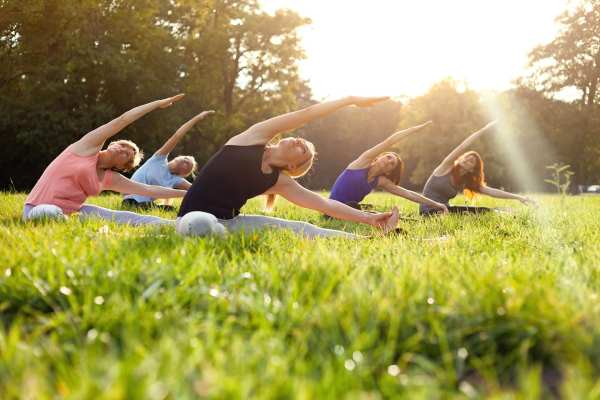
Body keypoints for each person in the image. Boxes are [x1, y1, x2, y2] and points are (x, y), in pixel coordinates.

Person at [177, 96, 400, 239]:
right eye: (300, 140)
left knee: (304, 228)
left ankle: (371, 239)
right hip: (190, 218)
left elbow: (325, 204)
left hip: (230, 223)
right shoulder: (252, 138)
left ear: (293, 165)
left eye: (303, 150)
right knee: (200, 224)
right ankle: (214, 235)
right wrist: (348, 100)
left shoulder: (278, 181)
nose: (299, 141)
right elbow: (306, 114)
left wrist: (369, 219)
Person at [23, 94, 188, 226]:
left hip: (71, 212)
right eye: (124, 145)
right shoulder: (86, 148)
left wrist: (188, 193)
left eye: (127, 155)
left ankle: (175, 225)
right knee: (50, 213)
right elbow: (122, 120)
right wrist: (157, 104)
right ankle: (60, 222)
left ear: (121, 166)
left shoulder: (111, 178)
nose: (123, 149)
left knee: (121, 216)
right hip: (37, 209)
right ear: (114, 142)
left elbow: (150, 190)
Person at [419, 121, 536, 215]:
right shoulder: (445, 167)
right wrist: (484, 130)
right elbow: (463, 145)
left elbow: (492, 192)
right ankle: (504, 214)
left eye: (471, 161)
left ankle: (508, 214)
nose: (466, 160)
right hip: (429, 212)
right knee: (473, 213)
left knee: (483, 211)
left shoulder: (464, 180)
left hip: (445, 211)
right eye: (466, 157)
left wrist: (518, 197)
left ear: (472, 169)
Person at [329, 121, 448, 213]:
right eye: (388, 157)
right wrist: (414, 130)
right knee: (362, 210)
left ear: (389, 172)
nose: (388, 161)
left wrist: (437, 204)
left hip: (349, 211)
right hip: (330, 209)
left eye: (392, 164)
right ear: (380, 156)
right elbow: (389, 141)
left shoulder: (381, 181)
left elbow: (409, 194)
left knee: (369, 212)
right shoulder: (362, 162)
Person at [122, 110, 215, 210]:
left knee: (172, 210)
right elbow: (177, 136)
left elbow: (196, 191)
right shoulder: (158, 159)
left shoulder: (176, 180)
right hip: (130, 201)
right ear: (177, 157)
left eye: (188, 165)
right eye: (185, 159)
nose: (185, 162)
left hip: (145, 205)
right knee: (167, 209)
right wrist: (197, 118)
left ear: (185, 173)